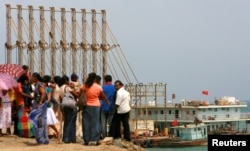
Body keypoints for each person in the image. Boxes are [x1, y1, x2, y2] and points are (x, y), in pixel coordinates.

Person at [81, 72, 110, 146]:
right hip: (96, 106)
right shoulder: (98, 86)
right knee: (95, 123)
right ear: (95, 79)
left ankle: (86, 140)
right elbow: (102, 95)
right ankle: (95, 139)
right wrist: (107, 102)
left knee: (86, 123)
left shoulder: (85, 86)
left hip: (86, 106)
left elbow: (80, 93)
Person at [29, 72, 49, 144]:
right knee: (41, 121)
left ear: (35, 78)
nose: (31, 78)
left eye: (32, 77)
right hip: (39, 105)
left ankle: (41, 138)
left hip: (40, 105)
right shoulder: (38, 84)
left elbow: (43, 93)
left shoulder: (39, 85)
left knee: (40, 121)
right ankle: (44, 138)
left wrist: (40, 102)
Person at [59, 75, 78, 143]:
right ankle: (71, 138)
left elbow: (60, 99)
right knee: (72, 122)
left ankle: (65, 138)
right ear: (66, 81)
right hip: (71, 105)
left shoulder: (60, 88)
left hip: (64, 105)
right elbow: (76, 95)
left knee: (67, 121)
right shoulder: (67, 87)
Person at [14, 74, 34, 138]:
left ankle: (21, 133)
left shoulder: (17, 84)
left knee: (21, 118)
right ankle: (22, 133)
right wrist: (30, 96)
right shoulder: (19, 84)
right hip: (21, 103)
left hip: (19, 102)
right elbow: (21, 93)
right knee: (21, 119)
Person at [42, 75, 60, 140]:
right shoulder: (43, 87)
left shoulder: (49, 88)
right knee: (45, 122)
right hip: (45, 106)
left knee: (48, 122)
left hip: (47, 106)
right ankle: (46, 134)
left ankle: (57, 132)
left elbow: (49, 98)